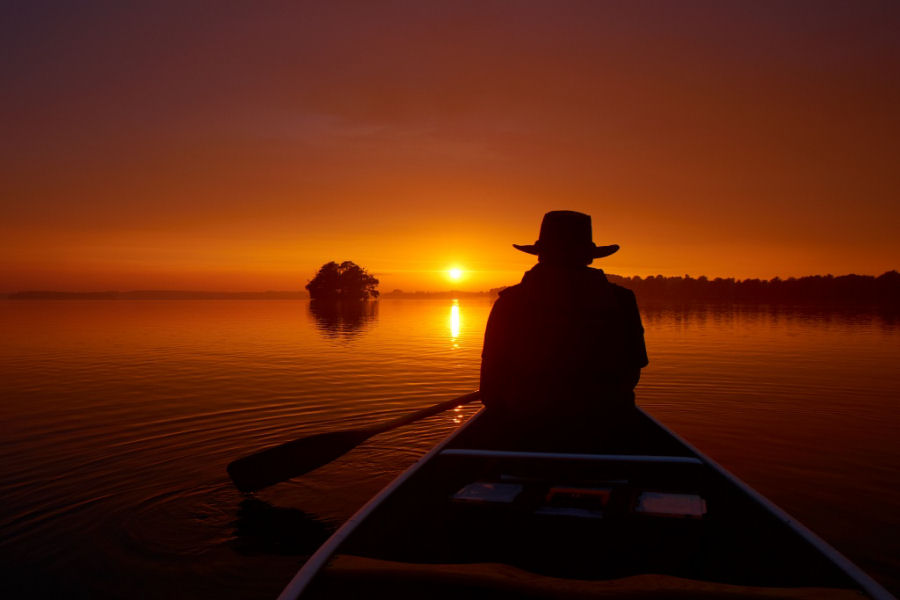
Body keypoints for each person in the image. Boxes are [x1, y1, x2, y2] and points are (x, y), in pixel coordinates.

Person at [479, 210, 648, 429]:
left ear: (540, 254)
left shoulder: (509, 303)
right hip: (606, 425)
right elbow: (633, 371)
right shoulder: (623, 300)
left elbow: (490, 385)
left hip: (525, 427)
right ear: (589, 256)